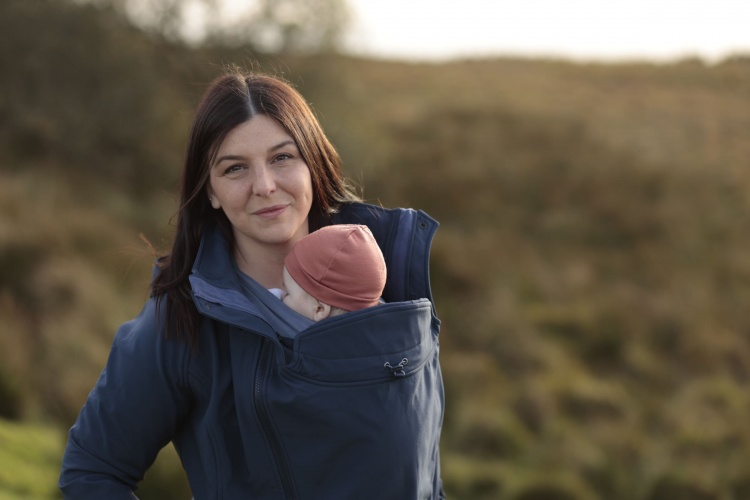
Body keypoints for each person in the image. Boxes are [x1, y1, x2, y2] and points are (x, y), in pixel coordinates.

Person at [59, 68, 445, 499]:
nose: (264, 186)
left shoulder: (390, 270)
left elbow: (422, 470)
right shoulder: (181, 320)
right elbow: (92, 470)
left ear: (312, 164)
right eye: (235, 168)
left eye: (282, 158)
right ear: (210, 191)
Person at [281, 224, 386, 322]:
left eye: (287, 293)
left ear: (319, 309)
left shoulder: (315, 342)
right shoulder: (388, 333)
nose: (279, 294)